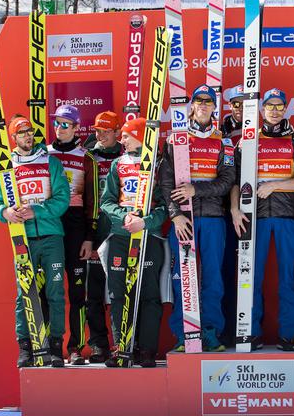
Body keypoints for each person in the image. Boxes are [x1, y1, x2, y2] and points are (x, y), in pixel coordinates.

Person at [230, 88, 294, 351]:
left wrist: (274, 185)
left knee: (288, 278)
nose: (276, 110)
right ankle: (251, 333)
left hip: (288, 218)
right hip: (254, 219)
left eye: (280, 106)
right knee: (250, 277)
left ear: (286, 109)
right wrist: (235, 209)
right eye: (271, 106)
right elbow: (233, 180)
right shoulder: (247, 140)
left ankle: (288, 335)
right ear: (262, 109)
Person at [159, 84, 236, 352]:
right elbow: (165, 182)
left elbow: (228, 181)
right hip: (184, 219)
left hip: (214, 218)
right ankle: (184, 335)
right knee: (183, 277)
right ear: (191, 105)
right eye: (198, 100)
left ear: (215, 107)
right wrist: (176, 215)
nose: (203, 105)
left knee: (213, 277)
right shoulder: (175, 139)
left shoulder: (223, 141)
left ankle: (211, 333)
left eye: (208, 101)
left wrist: (196, 189)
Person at [0, 115, 69, 367]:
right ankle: (25, 347)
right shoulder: (7, 166)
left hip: (51, 236)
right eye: (21, 133)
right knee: (24, 292)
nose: (27, 136)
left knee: (55, 292)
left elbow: (62, 199)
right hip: (23, 239)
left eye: (30, 132)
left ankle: (56, 346)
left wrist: (38, 211)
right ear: (13, 138)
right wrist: (6, 212)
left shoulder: (51, 162)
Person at [100, 117, 167, 367]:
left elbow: (166, 206)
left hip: (149, 236)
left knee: (149, 294)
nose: (122, 140)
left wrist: (145, 222)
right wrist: (125, 216)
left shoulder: (158, 164)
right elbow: (106, 201)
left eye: (126, 136)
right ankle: (121, 348)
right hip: (121, 235)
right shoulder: (118, 164)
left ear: (139, 135)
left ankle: (147, 350)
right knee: (118, 293)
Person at [47, 104, 97, 365]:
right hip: (49, 228)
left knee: (78, 292)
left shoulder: (85, 158)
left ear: (77, 128)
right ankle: (47, 346)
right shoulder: (44, 154)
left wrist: (90, 236)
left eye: (66, 124)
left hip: (76, 229)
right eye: (57, 123)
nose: (60, 128)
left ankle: (76, 347)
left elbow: (93, 202)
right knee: (49, 290)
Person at [83, 111, 124, 363]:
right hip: (94, 230)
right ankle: (99, 345)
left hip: (120, 227)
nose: (100, 136)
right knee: (94, 291)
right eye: (97, 131)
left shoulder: (128, 152)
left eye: (106, 132)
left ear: (117, 132)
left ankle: (126, 341)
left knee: (123, 290)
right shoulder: (88, 154)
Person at [219, 84, 246, 346]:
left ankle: (248, 328)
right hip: (224, 211)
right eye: (235, 104)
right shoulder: (219, 133)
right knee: (225, 271)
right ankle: (226, 330)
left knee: (250, 273)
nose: (240, 108)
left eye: (245, 102)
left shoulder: (262, 131)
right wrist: (232, 207)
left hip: (255, 209)